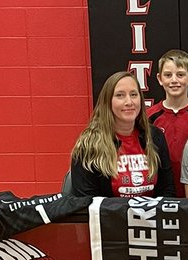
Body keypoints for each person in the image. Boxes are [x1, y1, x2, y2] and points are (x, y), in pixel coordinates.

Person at [70, 70, 175, 198]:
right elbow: (85, 201)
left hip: (150, 217)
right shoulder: (88, 144)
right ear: (108, 102)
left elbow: (167, 190)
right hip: (108, 217)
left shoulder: (155, 136)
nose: (129, 102)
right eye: (120, 95)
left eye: (134, 94)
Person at [147, 49, 188, 198]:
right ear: (160, 79)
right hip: (159, 194)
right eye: (168, 75)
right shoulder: (149, 117)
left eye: (180, 75)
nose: (174, 80)